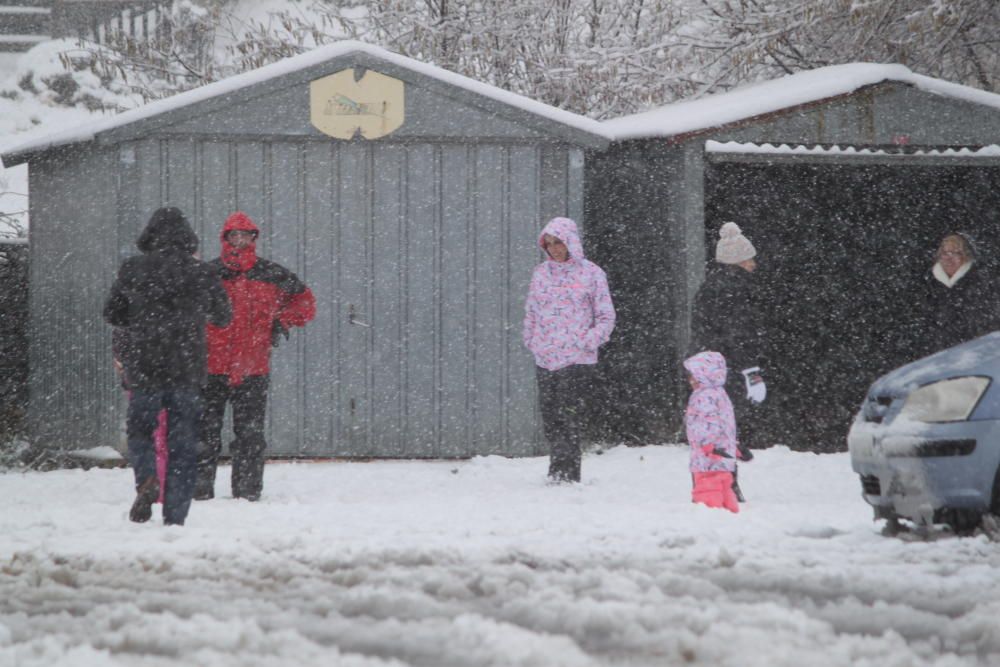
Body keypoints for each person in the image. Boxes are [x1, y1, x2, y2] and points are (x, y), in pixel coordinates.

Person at [103, 206, 232, 525]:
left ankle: (147, 479)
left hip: (144, 368)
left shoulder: (133, 268)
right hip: (186, 369)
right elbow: (223, 316)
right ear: (187, 238)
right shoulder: (201, 272)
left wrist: (143, 318)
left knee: (141, 432)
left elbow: (112, 314)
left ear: (150, 236)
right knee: (184, 440)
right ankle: (175, 516)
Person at [194, 211, 316, 501]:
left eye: (245, 235)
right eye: (233, 236)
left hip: (253, 369)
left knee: (249, 436)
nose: (239, 241)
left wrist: (281, 321)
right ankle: (198, 490)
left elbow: (305, 302)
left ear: (253, 238)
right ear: (225, 239)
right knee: (203, 434)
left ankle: (247, 492)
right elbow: (183, 309)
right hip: (211, 368)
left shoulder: (272, 274)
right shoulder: (207, 275)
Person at [523, 216, 615, 483]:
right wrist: (532, 339)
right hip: (546, 357)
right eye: (548, 243)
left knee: (569, 416)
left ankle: (568, 473)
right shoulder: (540, 273)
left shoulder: (592, 273)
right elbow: (531, 310)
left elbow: (606, 316)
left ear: (570, 242)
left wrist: (586, 341)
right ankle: (556, 469)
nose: (554, 248)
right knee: (551, 417)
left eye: (558, 242)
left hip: (576, 360)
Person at [689, 221, 762, 501]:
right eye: (750, 258)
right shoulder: (734, 290)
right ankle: (726, 483)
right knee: (727, 428)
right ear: (738, 261)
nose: (754, 264)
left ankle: (717, 481)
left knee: (710, 429)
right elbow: (739, 335)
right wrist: (752, 372)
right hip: (726, 369)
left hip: (706, 367)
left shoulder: (709, 287)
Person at [907, 232, 1000, 360]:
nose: (948, 258)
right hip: (932, 357)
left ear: (966, 256)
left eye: (956, 253)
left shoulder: (983, 284)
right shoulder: (925, 284)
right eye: (945, 253)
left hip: (972, 356)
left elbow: (988, 323)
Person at [113, 327, 169, 505]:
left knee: (146, 436)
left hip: (140, 379)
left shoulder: (131, 305)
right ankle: (166, 487)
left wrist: (126, 368)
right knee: (166, 437)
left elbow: (120, 339)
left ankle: (150, 483)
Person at [683, 351, 740, 513]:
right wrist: (732, 447)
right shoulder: (720, 394)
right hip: (723, 454)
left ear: (705, 375)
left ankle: (709, 520)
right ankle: (731, 514)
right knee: (724, 488)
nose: (691, 380)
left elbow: (707, 422)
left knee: (707, 491)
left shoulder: (704, 396)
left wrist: (707, 445)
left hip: (708, 457)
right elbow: (725, 423)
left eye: (695, 375)